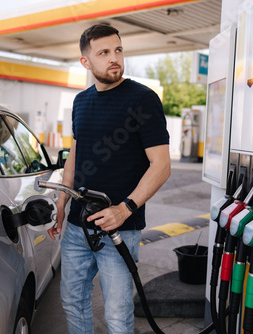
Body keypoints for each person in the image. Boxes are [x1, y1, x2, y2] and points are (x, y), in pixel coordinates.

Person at [47, 24, 171, 334]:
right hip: (77, 225)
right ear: (85, 62)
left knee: (117, 314)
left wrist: (125, 208)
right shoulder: (81, 102)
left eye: (118, 50)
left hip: (120, 228)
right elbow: (75, 154)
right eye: (103, 52)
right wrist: (62, 199)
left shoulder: (143, 99)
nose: (114, 58)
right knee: (73, 301)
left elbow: (161, 165)